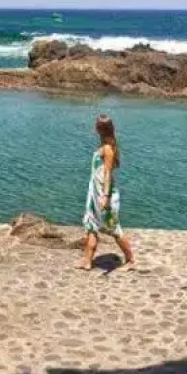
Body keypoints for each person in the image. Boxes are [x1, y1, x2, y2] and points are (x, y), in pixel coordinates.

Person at [78, 114, 136, 271]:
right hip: (95, 195)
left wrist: (105, 197)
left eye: (96, 125)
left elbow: (108, 174)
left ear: (99, 129)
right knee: (91, 225)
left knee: (113, 228)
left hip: (105, 195)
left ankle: (131, 260)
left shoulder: (108, 149)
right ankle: (88, 261)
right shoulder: (104, 146)